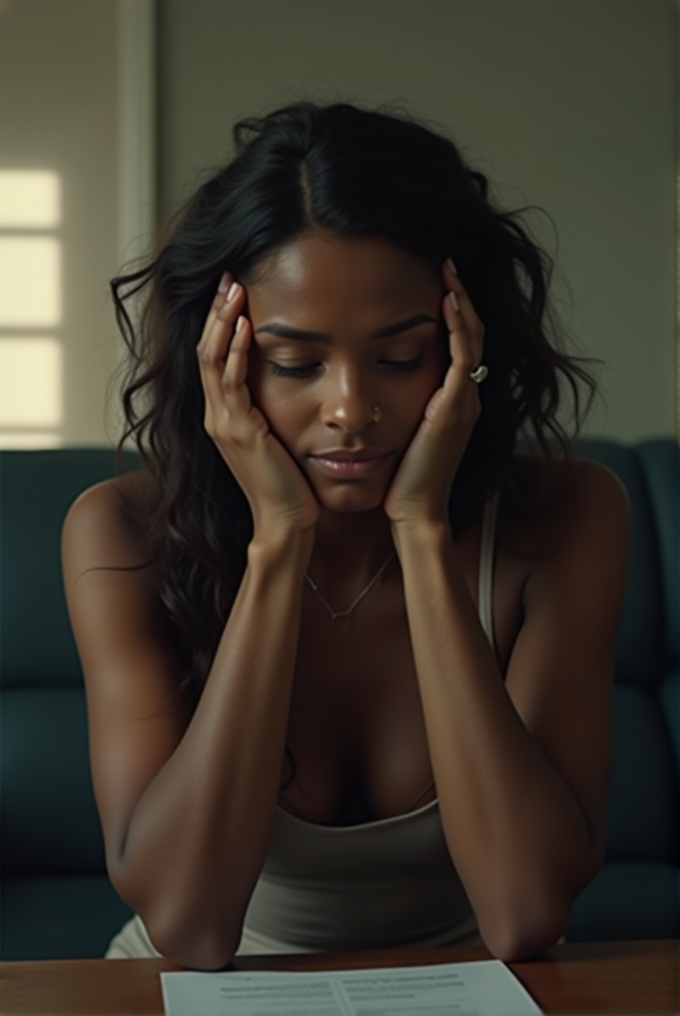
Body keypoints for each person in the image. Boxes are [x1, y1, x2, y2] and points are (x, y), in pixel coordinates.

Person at [61, 99, 631, 971]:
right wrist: (278, 543)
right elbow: (192, 928)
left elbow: (522, 914)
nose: (350, 411)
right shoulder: (120, 536)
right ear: (220, 361)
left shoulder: (570, 518)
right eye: (294, 363)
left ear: (463, 347)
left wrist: (423, 532)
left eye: (400, 357)